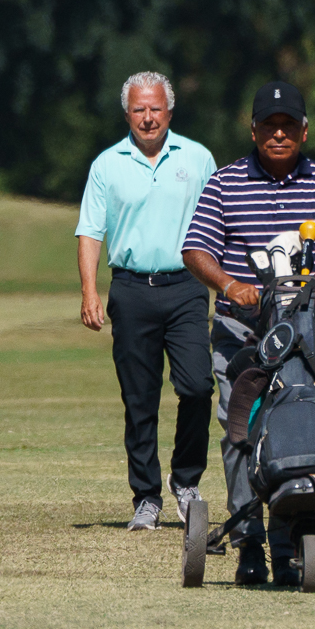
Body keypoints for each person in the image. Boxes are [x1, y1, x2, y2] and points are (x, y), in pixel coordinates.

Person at [182, 81, 315, 585]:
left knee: (304, 417)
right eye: (270, 126)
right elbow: (196, 249)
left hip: (308, 334)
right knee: (240, 430)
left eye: (289, 126)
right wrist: (230, 285)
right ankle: (249, 543)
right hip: (242, 333)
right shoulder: (225, 183)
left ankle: (292, 539)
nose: (279, 134)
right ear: (254, 131)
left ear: (304, 131)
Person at [75, 72, 217, 530]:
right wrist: (89, 291)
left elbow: (221, 223)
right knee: (139, 399)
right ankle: (146, 498)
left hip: (187, 287)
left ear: (169, 112)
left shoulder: (197, 158)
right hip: (132, 289)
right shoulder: (106, 165)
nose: (148, 117)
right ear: (127, 114)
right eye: (139, 109)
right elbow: (90, 231)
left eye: (156, 108)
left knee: (197, 385)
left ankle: (186, 481)